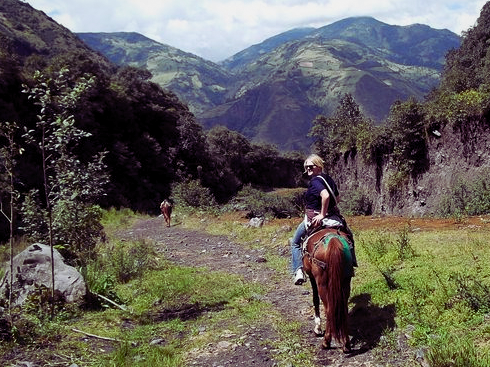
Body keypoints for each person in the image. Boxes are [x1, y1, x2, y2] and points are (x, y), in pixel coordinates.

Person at [290, 154, 357, 285]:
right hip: (333, 217)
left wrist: (321, 214)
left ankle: (298, 271)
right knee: (349, 235)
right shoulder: (329, 179)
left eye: (310, 166)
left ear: (318, 166)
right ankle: (351, 262)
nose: (307, 169)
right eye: (306, 167)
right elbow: (337, 199)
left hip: (314, 217)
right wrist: (328, 211)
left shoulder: (315, 181)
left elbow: (325, 196)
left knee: (295, 243)